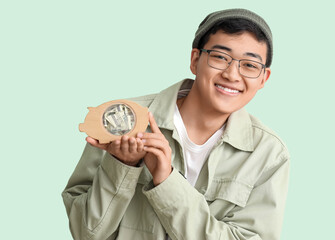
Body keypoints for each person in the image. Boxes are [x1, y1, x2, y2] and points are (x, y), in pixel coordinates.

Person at [62, 8, 290, 240]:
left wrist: (166, 179)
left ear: (263, 78)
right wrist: (122, 165)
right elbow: (84, 233)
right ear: (195, 60)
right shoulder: (122, 118)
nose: (232, 74)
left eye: (250, 65)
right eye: (220, 57)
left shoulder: (269, 154)